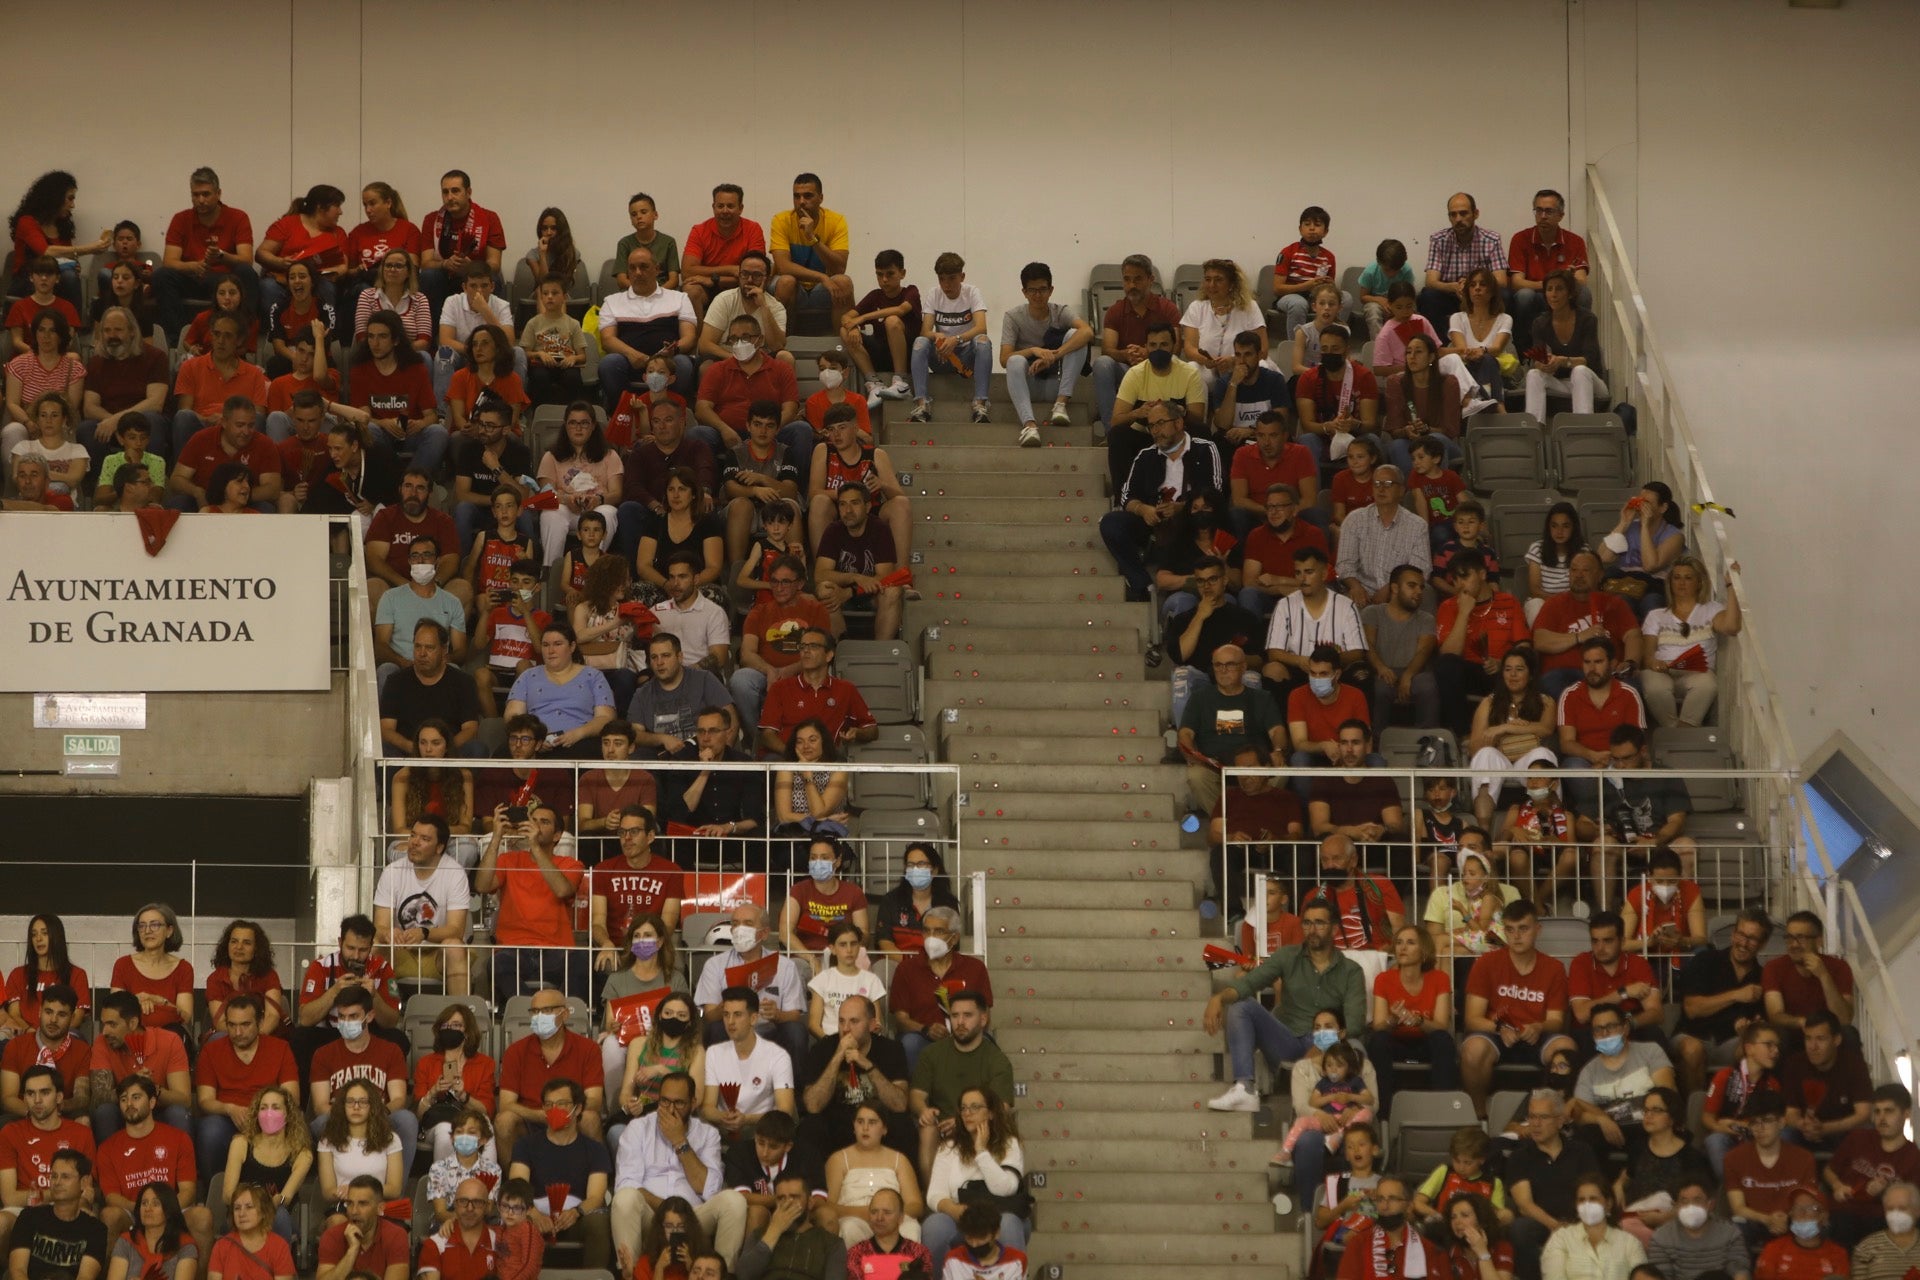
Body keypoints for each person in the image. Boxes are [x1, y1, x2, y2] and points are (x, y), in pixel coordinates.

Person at [1203, 899, 1366, 1112]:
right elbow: (1249, 983)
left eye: (1319, 923)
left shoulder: (1351, 970)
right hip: (1286, 1040)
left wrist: (1323, 1044)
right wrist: (1219, 998)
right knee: (1241, 1006)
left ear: (1334, 929)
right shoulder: (1287, 956)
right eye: (1307, 923)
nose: (1312, 930)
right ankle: (1245, 1089)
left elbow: (1355, 1022)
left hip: (1328, 1049)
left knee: (1356, 1045)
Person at [610, 1070, 748, 1269]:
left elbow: (709, 1189)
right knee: (625, 1198)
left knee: (734, 1201)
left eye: (679, 1103)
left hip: (694, 1216)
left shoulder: (708, 1134)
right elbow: (627, 1184)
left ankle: (719, 1274)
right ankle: (630, 1274)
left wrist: (680, 1141)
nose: (670, 1109)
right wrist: (669, 1211)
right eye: (665, 1102)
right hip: (652, 1215)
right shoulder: (638, 1129)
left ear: (693, 1103)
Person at [1461, 900, 1576, 1119]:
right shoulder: (1486, 963)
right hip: (1497, 1033)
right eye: (1510, 930)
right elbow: (1472, 1019)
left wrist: (1538, 1026)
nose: (1516, 936)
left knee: (1566, 1048)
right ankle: (1479, 1117)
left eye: (1523, 928)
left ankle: (1555, 1116)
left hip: (1536, 1035)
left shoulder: (1554, 968)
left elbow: (1556, 1020)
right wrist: (1499, 1027)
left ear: (1537, 930)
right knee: (1472, 1050)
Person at [1100, 399, 1224, 602]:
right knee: (1111, 523)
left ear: (1178, 423)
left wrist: (1182, 508)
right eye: (1151, 426)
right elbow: (1126, 497)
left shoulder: (1205, 449)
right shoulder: (1145, 456)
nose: (1156, 431)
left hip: (1193, 519)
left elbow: (1216, 493)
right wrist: (1143, 509)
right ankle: (1142, 584)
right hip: (1154, 521)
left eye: (1160, 423)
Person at [475, 802, 587, 999]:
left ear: (557, 836)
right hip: (514, 949)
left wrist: (535, 847)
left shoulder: (571, 864)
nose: (536, 826)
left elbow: (562, 890)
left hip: (556, 949)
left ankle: (563, 1013)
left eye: (544, 822)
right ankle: (529, 1013)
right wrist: (496, 838)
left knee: (581, 960)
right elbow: (482, 886)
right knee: (497, 964)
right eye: (533, 820)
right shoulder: (509, 859)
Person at [505, 1077, 613, 1269]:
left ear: (578, 1108)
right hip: (535, 1215)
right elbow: (517, 1186)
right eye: (548, 1104)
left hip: (574, 1218)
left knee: (598, 1221)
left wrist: (576, 1213)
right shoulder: (525, 1145)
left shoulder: (595, 1150)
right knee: (514, 1219)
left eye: (562, 1104)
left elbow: (596, 1196)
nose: (554, 1109)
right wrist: (534, 1214)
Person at [908, 992, 1013, 1185]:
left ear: (983, 1019)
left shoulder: (997, 1061)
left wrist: (963, 1120)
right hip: (940, 1127)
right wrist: (924, 1111)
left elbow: (1002, 1108)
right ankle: (934, 1197)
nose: (960, 1022)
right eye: (955, 1016)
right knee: (927, 1127)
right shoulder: (932, 1054)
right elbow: (916, 1095)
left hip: (980, 1127)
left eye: (967, 1015)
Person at [694, 910, 809, 1071]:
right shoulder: (715, 964)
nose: (739, 929)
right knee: (715, 1029)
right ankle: (721, 1090)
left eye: (748, 924)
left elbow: (794, 1015)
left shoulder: (785, 966)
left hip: (770, 1031)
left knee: (796, 1031)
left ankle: (793, 1093)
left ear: (764, 933)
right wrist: (726, 1008)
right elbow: (709, 1015)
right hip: (732, 1030)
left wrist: (777, 1015)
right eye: (735, 924)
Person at [799, 995, 911, 1161]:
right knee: (810, 1126)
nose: (846, 1028)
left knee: (903, 1125)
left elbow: (900, 1105)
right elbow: (813, 1105)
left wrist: (868, 1065)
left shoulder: (891, 1050)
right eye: (841, 1021)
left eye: (854, 1021)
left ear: (872, 1025)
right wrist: (838, 1055)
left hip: (876, 1122)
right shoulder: (822, 1049)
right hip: (837, 1123)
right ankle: (818, 1186)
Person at [153, 168, 258, 345]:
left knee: (247, 273)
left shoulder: (238, 217)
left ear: (218, 194)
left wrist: (222, 256)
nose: (201, 200)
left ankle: (243, 340)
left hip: (224, 281)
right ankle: (178, 341)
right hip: (193, 278)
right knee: (162, 275)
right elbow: (169, 261)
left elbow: (247, 259)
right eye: (196, 195)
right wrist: (193, 266)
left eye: (206, 194)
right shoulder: (181, 219)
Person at [1505, 1090, 1604, 1276]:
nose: (1535, 1123)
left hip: (1579, 1221)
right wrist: (1556, 1227)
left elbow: (1595, 1193)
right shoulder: (1519, 1157)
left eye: (1543, 1117)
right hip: (1542, 1223)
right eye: (1532, 1116)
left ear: (1560, 1121)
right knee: (1520, 1229)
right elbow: (1525, 1206)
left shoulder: (1581, 1152)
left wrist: (1576, 1226)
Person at [370, 814, 472, 993]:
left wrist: (424, 933)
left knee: (455, 946)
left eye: (424, 839)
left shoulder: (455, 873)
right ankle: (370, 1015)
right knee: (376, 943)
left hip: (437, 955)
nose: (414, 842)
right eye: (413, 835)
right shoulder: (392, 871)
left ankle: (460, 1015)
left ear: (439, 847)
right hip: (401, 952)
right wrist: (389, 933)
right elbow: (379, 925)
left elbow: (456, 930)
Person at [1640, 557, 1741, 728]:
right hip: (1663, 671)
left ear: (1699, 582)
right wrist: (1654, 663)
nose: (1681, 583)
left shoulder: (1711, 609)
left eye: (1688, 578)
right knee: (1654, 686)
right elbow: (1647, 656)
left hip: (1696, 672)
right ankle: (1672, 731)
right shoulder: (1656, 615)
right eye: (1676, 577)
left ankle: (1686, 728)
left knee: (1707, 684)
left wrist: (1732, 587)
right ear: (1670, 582)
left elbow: (1731, 627)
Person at [1366, 924, 1459, 1110]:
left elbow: (1442, 1025)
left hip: (1426, 1042)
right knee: (1378, 1040)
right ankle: (1383, 1112)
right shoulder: (1383, 979)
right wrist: (1393, 1019)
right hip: (1396, 1042)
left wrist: (1419, 1021)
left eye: (1410, 943)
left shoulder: (1439, 978)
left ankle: (1444, 1108)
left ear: (1423, 950)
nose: (1402, 947)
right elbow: (1378, 1025)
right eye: (1399, 942)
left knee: (1443, 1039)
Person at [999, 262, 1091, 447]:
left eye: (1042, 289)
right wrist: (1034, 351)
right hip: (1029, 384)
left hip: (1058, 383)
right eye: (1032, 290)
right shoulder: (1013, 316)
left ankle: (1061, 404)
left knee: (1076, 335)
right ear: (1024, 292)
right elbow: (1004, 359)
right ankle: (1029, 425)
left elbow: (1088, 332)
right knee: (1015, 360)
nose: (1038, 295)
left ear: (1051, 290)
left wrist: (1055, 355)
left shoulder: (1060, 311)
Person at [1569, 1003, 1675, 1153]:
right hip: (1609, 1131)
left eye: (1611, 1026)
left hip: (1645, 1125)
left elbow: (1667, 1095)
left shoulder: (1650, 1051)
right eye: (1598, 1029)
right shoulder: (1589, 1071)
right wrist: (1601, 1119)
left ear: (1625, 1028)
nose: (1605, 1033)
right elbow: (1580, 1113)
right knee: (1583, 1138)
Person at [757, 628, 877, 757]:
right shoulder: (780, 688)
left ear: (829, 655)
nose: (806, 651)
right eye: (802, 646)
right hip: (786, 757)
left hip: (826, 760)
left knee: (841, 762)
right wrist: (793, 755)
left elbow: (872, 729)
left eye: (813, 646)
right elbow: (767, 735)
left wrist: (857, 733)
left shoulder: (846, 689)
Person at [1824, 1085, 1920, 1245]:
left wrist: (1887, 1192)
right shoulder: (1858, 1137)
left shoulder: (1914, 1157)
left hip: (1882, 1220)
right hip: (1844, 1213)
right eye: (1877, 1111)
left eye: (1889, 1111)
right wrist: (1837, 1185)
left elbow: (1913, 1203)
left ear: (1906, 1114)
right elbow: (1829, 1170)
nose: (1881, 1118)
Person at [906, 252, 991, 426]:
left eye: (952, 278)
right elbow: (925, 331)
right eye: (942, 279)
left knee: (982, 341)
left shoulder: (972, 292)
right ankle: (922, 404)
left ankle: (980, 404)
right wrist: (936, 335)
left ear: (962, 276)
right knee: (919, 342)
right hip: (941, 356)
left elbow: (981, 327)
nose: (947, 285)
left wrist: (956, 339)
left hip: (965, 357)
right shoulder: (934, 294)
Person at [695, 314, 799, 453]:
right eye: (734, 339)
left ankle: (791, 475)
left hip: (772, 432)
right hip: (728, 434)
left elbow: (790, 409)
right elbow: (702, 408)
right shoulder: (717, 369)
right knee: (699, 433)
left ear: (760, 340)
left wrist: (769, 430)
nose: (739, 343)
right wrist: (723, 428)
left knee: (800, 430)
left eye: (745, 338)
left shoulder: (781, 368)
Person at [825, 1104, 923, 1247]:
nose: (865, 1128)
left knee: (911, 1228)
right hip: (854, 1220)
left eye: (872, 1122)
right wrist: (865, 1213)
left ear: (884, 1129)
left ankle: (904, 1269)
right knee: (850, 1228)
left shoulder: (899, 1160)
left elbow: (915, 1205)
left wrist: (889, 1216)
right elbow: (828, 1206)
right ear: (853, 1127)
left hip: (894, 1221)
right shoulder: (838, 1159)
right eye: (860, 1122)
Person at [1709, 1031, 1795, 1191]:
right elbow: (1707, 1118)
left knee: (1785, 1133)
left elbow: (1775, 1121)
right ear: (1749, 1048)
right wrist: (1723, 1127)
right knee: (1715, 1140)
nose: (1776, 1051)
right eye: (1769, 1045)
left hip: (1758, 1135)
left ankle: (1768, 1185)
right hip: (1730, 1136)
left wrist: (1738, 1124)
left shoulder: (1773, 1083)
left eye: (1777, 1046)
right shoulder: (1725, 1076)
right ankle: (1735, 1191)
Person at [413, 1004, 496, 1168]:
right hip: (436, 1122)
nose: (449, 1029)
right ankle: (445, 1186)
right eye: (445, 1025)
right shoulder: (426, 1063)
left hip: (471, 1119)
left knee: (485, 1127)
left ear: (467, 1032)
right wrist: (433, 1092)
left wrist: (464, 1096)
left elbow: (487, 1110)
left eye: (456, 1025)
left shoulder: (485, 1064)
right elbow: (419, 1114)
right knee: (445, 1129)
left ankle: (486, 1184)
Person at [5, 1147, 107, 1280]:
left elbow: (85, 1276)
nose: (57, 1182)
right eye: (54, 1176)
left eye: (65, 1177)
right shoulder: (29, 1217)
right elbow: (18, 1271)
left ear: (83, 1182)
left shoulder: (96, 1230)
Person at [418, 170, 505, 321]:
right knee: (428, 276)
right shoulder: (431, 220)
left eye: (455, 191)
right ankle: (433, 338)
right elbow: (425, 263)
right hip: (444, 275)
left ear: (468, 192)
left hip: (474, 275)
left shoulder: (489, 218)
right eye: (445, 192)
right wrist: (445, 263)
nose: (450, 197)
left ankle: (490, 335)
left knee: (493, 279)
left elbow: (494, 264)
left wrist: (472, 267)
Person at [1295, 325, 1382, 476]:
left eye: (1335, 349)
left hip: (1355, 437)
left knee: (1372, 439)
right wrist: (1328, 426)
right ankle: (1312, 496)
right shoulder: (1308, 378)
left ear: (1346, 350)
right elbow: (1307, 424)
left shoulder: (1364, 376)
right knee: (1307, 440)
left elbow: (1370, 424)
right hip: (1322, 437)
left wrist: (1355, 424)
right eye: (1325, 349)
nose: (1329, 353)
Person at [1362, 564, 1440, 729]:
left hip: (1415, 671)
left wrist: (1408, 675)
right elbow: (1368, 645)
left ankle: (1427, 741)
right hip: (1382, 670)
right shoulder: (1372, 612)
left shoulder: (1426, 619)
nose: (1419, 592)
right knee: (1379, 688)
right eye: (1412, 586)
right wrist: (1381, 668)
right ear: (1395, 588)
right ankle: (1376, 740)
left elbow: (1424, 651)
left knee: (1427, 685)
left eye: (1421, 587)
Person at [1781, 1011, 1873, 1151]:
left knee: (1867, 1132)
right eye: (1808, 1038)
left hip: (1842, 1130)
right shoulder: (1795, 1063)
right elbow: (1790, 1113)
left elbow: (1864, 1113)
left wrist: (1825, 1128)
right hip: (1806, 1132)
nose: (1813, 1046)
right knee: (1784, 1135)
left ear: (1836, 1040)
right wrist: (1803, 1125)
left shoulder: (1854, 1064)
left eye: (1820, 1039)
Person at [1418, 193, 1508, 333]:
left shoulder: (1491, 239)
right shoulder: (1439, 240)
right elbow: (1431, 281)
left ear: (1475, 214)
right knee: (1428, 295)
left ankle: (1493, 345)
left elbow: (1501, 280)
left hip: (1481, 295)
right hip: (1452, 295)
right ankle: (1440, 348)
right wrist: (1453, 287)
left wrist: (1471, 286)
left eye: (1463, 213)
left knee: (1505, 295)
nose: (1458, 219)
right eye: (1453, 215)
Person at [1509, 191, 1591, 340]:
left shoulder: (1575, 241)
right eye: (1539, 210)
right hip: (1535, 295)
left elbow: (1581, 280)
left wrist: (1564, 285)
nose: (1543, 216)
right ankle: (1526, 352)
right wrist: (1552, 285)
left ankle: (1579, 347)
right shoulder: (1520, 239)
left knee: (1584, 293)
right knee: (1524, 296)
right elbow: (1516, 282)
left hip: (1563, 295)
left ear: (1561, 215)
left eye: (1549, 211)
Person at [840, 249, 920, 401]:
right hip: (881, 354)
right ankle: (874, 384)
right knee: (844, 330)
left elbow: (901, 310)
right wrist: (853, 327)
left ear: (902, 273)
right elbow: (846, 317)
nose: (884, 279)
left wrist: (862, 318)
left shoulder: (911, 291)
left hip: (908, 355)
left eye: (890, 274)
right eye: (879, 274)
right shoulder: (875, 295)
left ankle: (901, 382)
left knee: (892, 321)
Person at [733, 1172, 844, 1280]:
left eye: (794, 1197)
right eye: (781, 1198)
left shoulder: (831, 1244)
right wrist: (774, 1230)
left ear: (810, 1202)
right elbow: (743, 1275)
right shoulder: (759, 1235)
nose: (788, 1203)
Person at [1180, 259, 1266, 398]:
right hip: (1209, 369)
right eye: (1208, 279)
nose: (1212, 285)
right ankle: (1200, 416)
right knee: (1192, 369)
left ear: (1231, 284)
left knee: (1263, 367)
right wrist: (1206, 360)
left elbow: (1263, 350)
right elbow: (1190, 348)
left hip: (1241, 366)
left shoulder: (1250, 307)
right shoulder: (1196, 307)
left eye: (1218, 280)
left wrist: (1234, 360)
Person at [1336, 1175, 1448, 1280]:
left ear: (1409, 1206)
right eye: (1380, 1199)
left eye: (1392, 1199)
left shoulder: (1428, 1250)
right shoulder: (1358, 1244)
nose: (1385, 1206)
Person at [682, 184, 766, 322]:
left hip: (741, 286)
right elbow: (687, 271)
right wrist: (730, 269)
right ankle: (698, 340)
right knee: (690, 290)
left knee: (754, 281)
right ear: (713, 207)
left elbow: (755, 274)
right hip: (709, 289)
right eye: (720, 206)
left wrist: (714, 280)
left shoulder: (753, 229)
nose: (725, 211)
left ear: (741, 208)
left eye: (730, 206)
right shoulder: (699, 230)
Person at [0, 988, 87, 1122]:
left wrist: (53, 1110)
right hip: (25, 1114)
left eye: (62, 1014)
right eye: (48, 1012)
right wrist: (37, 1113)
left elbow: (81, 1098)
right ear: (40, 1011)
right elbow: (8, 1098)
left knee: (83, 1119)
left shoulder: (82, 1050)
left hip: (62, 1114)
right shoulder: (16, 1045)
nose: (53, 1019)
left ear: (72, 1018)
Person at [618, 994, 705, 1124]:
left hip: (676, 1117)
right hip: (642, 1115)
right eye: (668, 1013)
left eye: (681, 1015)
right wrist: (630, 1104)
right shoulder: (638, 1044)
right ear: (659, 1016)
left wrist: (662, 1071)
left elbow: (697, 1097)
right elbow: (626, 1091)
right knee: (615, 1132)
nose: (673, 1018)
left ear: (690, 1022)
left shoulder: (696, 1051)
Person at [1541, 1174, 1647, 1280]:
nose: (1587, 1205)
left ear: (1608, 1203)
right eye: (1581, 1200)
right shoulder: (1561, 1239)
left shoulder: (1630, 1243)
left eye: (1593, 1199)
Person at [112, 905, 195, 1039]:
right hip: (132, 1034)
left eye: (155, 925)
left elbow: (185, 1016)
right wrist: (135, 1001)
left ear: (169, 930)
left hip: (171, 1038)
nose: (147, 931)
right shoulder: (123, 965)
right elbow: (114, 1010)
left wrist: (158, 1000)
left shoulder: (183, 968)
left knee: (175, 1034)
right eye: (142, 926)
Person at [2, 919, 87, 1039]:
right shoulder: (18, 974)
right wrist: (30, 1031)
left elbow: (77, 1017)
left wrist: (49, 1037)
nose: (38, 939)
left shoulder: (77, 974)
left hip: (62, 1037)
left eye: (44, 933)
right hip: (26, 1035)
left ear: (57, 936)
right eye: (34, 934)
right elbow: (14, 1014)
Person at [314, 1174, 409, 1280]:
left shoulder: (396, 1235)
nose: (354, 1211)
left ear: (380, 1208)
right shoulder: (332, 1235)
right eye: (349, 1203)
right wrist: (352, 1251)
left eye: (362, 1204)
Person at [414, 1175, 508, 1280]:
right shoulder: (434, 1245)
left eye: (477, 1202)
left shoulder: (499, 1242)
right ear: (455, 1204)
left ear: (486, 1206)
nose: (470, 1208)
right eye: (463, 1201)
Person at [103, 1183, 199, 1280]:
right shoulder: (126, 1241)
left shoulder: (185, 1246)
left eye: (155, 1204)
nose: (148, 1209)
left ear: (168, 1210)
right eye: (144, 1203)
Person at [1750, 1187, 1845, 1280]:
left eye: (1810, 1208)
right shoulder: (1774, 1249)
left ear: (1824, 1216)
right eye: (1797, 1208)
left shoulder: (1837, 1254)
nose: (1802, 1213)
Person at [1852, 1181, 1920, 1280]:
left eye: (1902, 1208)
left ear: (1917, 1211)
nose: (1895, 1214)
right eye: (1890, 1209)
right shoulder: (1866, 1247)